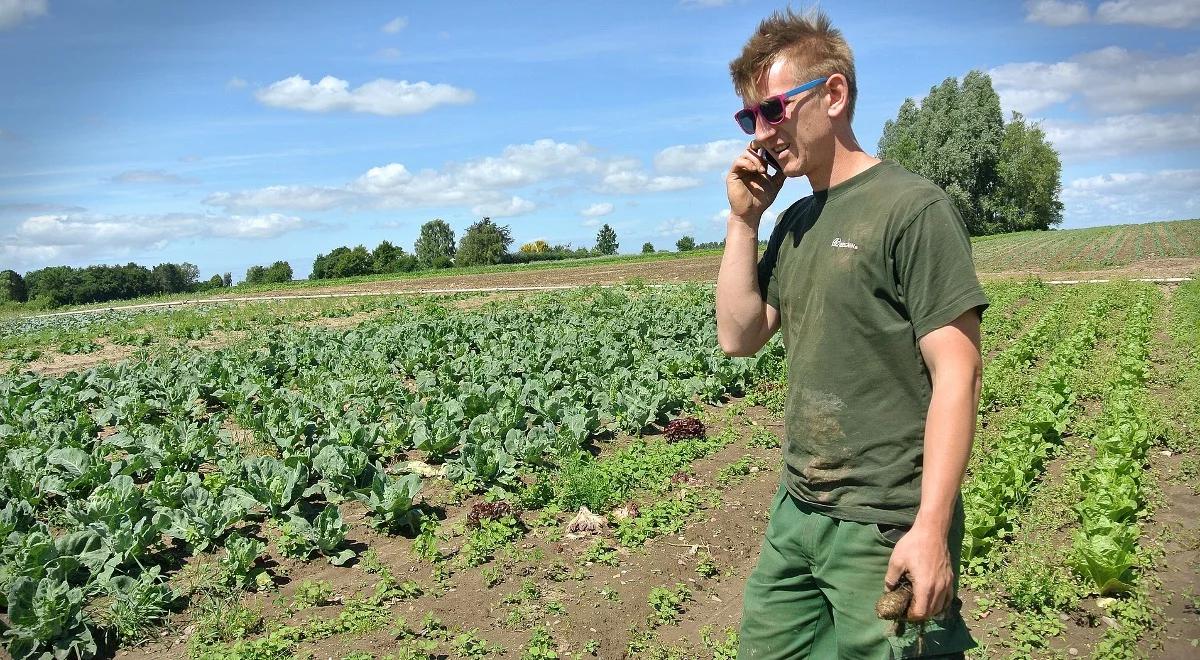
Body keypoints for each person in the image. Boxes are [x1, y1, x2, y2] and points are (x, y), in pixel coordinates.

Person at [716, 8, 988, 659]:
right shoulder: (796, 222)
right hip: (799, 510)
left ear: (833, 94)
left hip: (884, 519)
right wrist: (744, 222)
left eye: (773, 109)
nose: (762, 131)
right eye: (749, 118)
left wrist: (929, 527)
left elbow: (960, 371)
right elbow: (740, 335)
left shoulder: (911, 209)